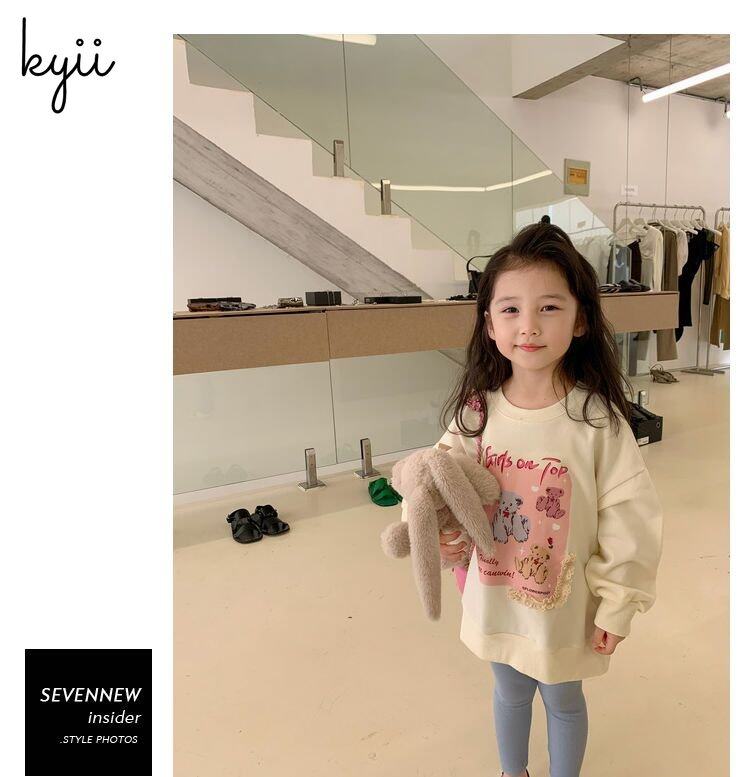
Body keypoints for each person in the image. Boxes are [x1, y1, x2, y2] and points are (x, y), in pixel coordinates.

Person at [403, 223, 663, 777]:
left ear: (581, 319)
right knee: (509, 691)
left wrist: (619, 602)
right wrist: (438, 535)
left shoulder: (597, 421)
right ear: (489, 323)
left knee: (564, 700)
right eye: (510, 309)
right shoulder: (476, 414)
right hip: (495, 597)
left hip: (563, 610)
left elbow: (630, 519)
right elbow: (432, 484)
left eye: (549, 307)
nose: (529, 326)